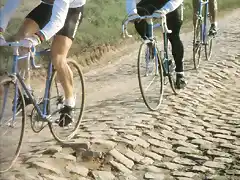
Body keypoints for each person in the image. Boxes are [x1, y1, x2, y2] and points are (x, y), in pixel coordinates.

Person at [0, 0, 86, 127]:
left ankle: (69, 104)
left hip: (71, 9)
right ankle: (26, 94)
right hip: (48, 5)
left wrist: (36, 38)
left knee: (58, 57)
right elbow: (9, 8)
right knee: (21, 38)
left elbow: (58, 22)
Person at [126, 0, 186, 89]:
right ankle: (151, 45)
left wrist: (165, 10)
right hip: (150, 3)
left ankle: (180, 73)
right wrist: (132, 12)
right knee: (139, 17)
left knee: (174, 36)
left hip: (171, 3)